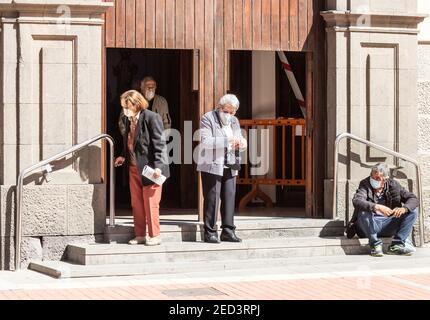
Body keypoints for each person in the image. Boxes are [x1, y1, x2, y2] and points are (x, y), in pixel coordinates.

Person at [115, 90, 170, 246]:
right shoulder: (128, 120)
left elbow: (160, 144)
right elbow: (129, 142)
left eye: (126, 106)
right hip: (134, 168)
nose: (124, 109)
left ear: (136, 104)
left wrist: (159, 166)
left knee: (151, 202)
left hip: (152, 168)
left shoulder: (152, 118)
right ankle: (140, 235)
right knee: (137, 203)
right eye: (123, 106)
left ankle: (155, 236)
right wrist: (123, 156)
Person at [196, 94, 248, 244]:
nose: (229, 115)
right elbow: (206, 141)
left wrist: (242, 144)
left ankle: (228, 231)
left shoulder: (235, 121)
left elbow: (238, 139)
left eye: (233, 112)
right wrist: (228, 141)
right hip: (211, 164)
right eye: (227, 111)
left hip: (230, 164)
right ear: (219, 107)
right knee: (212, 198)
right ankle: (210, 232)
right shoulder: (208, 118)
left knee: (229, 198)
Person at [347, 163, 419, 257]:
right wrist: (377, 207)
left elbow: (413, 199)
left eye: (377, 178)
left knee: (412, 210)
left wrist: (404, 208)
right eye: (372, 177)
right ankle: (375, 245)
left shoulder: (393, 185)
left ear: (385, 179)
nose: (374, 180)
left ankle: (397, 245)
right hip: (367, 226)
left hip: (388, 224)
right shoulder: (365, 184)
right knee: (363, 211)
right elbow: (357, 201)